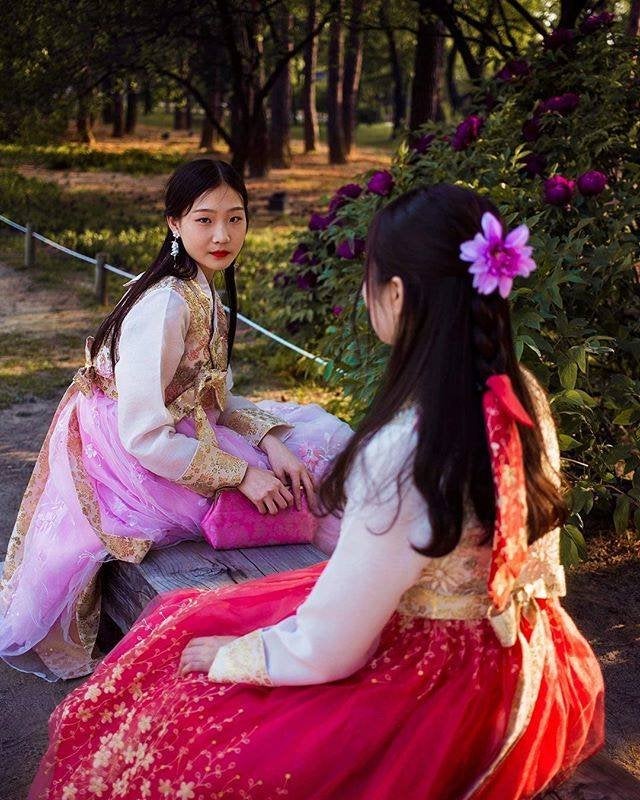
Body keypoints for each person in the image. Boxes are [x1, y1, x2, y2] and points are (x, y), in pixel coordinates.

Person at [29, 184, 603, 800]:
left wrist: (237, 658)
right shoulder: (520, 398)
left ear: (399, 295)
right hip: (528, 659)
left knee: (176, 706)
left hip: (441, 684)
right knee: (194, 623)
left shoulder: (408, 447)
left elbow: (330, 648)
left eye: (370, 277)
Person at [0, 159, 352, 681]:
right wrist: (240, 472)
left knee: (309, 449)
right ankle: (335, 614)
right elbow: (142, 434)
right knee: (307, 479)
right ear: (174, 223)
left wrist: (270, 441)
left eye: (235, 219)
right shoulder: (165, 304)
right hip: (128, 452)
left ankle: (342, 603)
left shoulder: (201, 289)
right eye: (204, 220)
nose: (222, 235)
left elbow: (217, 398)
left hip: (175, 426)